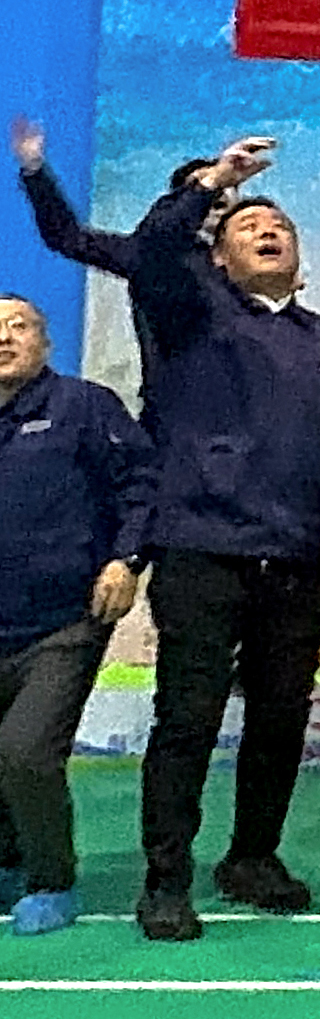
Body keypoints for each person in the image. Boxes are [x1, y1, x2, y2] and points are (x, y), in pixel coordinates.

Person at [127, 137, 320, 941]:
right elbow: (153, 249)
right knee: (187, 719)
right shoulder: (188, 314)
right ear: (218, 259)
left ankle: (252, 857)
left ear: (299, 259)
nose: (268, 230)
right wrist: (212, 184)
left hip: (294, 559)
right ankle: (166, 879)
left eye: (281, 227)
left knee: (279, 718)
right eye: (248, 225)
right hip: (200, 549)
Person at [0, 295, 151, 936]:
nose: (4, 338)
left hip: (65, 621)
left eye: (20, 326)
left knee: (25, 750)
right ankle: (9, 859)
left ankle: (51, 881)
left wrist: (127, 560)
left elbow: (141, 485)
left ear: (46, 343)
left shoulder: (84, 407)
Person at [13, 116, 227, 397]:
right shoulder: (146, 255)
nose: (214, 192)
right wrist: (35, 171)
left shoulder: (265, 259)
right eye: (200, 188)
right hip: (179, 401)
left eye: (224, 185)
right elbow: (67, 236)